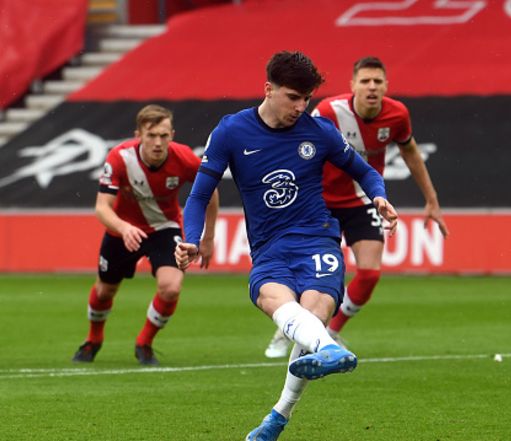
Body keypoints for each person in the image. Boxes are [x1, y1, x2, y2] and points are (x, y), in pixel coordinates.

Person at [175, 51, 398, 441]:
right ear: (268, 89)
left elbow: (364, 171)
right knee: (274, 301)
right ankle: (286, 406)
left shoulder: (319, 131)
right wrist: (192, 239)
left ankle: (286, 406)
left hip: (318, 239)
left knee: (313, 314)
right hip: (269, 247)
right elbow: (198, 195)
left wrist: (378, 195)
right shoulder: (231, 131)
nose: (300, 107)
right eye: (293, 97)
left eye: (306, 99)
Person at [264, 56, 449, 358]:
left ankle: (331, 331)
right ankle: (289, 326)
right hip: (321, 202)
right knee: (311, 274)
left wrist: (431, 199)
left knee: (370, 274)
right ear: (353, 86)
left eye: (377, 81)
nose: (371, 87)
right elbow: (299, 146)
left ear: (386, 86)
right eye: (365, 81)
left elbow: (411, 153)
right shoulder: (329, 111)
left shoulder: (397, 115)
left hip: (362, 201)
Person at [71, 104, 219, 366]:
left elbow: (210, 193)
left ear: (172, 135)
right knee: (105, 291)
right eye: (151, 135)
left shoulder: (184, 158)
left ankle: (144, 343)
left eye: (163, 135)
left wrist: (207, 239)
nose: (158, 142)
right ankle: (94, 339)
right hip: (122, 229)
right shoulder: (120, 157)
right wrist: (124, 228)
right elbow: (102, 208)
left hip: (165, 227)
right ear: (138, 135)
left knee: (171, 287)